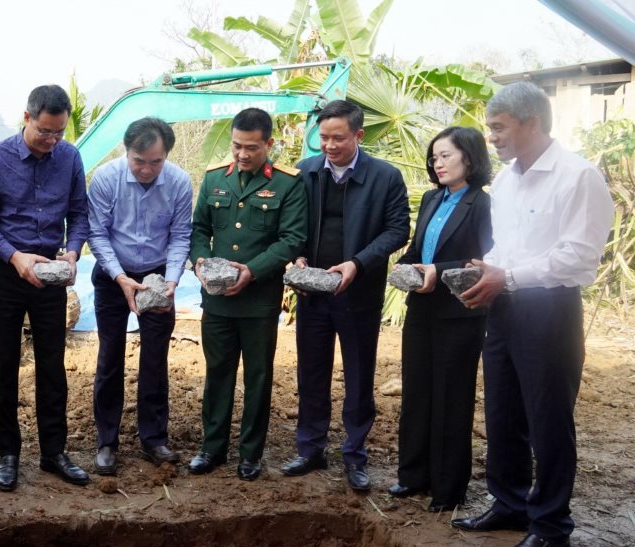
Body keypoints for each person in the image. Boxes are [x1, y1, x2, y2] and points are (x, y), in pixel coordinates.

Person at [454, 82, 613, 547]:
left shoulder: (577, 176)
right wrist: (487, 270)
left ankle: (550, 526)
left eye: (499, 128)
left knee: (548, 420)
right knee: (503, 412)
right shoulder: (506, 181)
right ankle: (510, 503)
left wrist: (509, 276)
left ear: (533, 124)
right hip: (505, 307)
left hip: (550, 311)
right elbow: (507, 247)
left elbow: (578, 257)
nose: (493, 138)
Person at [0, 85, 90, 491]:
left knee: (52, 366)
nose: (51, 141)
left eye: (58, 133)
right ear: (27, 117)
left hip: (50, 275)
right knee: (4, 365)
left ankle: (54, 451)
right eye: (44, 132)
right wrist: (15, 256)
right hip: (7, 273)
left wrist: (71, 254)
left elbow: (78, 213)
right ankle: (9, 454)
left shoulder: (70, 157)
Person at [283, 99, 410, 491]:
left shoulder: (385, 177)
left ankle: (354, 454)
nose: (329, 145)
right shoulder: (303, 173)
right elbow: (288, 225)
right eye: (323, 137)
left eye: (338, 138)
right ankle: (310, 449)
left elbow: (397, 229)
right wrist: (297, 256)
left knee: (358, 376)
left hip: (359, 295)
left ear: (359, 135)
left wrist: (357, 263)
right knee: (312, 372)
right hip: (313, 294)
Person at [187, 107, 307, 481]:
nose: (242, 154)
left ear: (269, 144)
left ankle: (250, 454)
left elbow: (292, 239)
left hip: (258, 301)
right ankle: (212, 448)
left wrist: (252, 271)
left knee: (257, 377)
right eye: (237, 145)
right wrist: (201, 263)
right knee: (217, 373)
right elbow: (198, 230)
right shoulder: (213, 179)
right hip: (218, 299)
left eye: (251, 147)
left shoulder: (288, 184)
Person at [388, 127, 493, 512]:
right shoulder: (433, 199)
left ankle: (448, 490)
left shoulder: (482, 205)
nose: (438, 163)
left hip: (460, 311)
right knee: (417, 391)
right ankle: (413, 476)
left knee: (451, 397)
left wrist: (438, 269)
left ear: (470, 156)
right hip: (421, 308)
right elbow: (418, 248)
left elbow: (484, 261)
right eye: (434, 157)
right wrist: (403, 267)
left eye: (446, 155)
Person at [86, 117, 192, 475]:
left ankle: (153, 438)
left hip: (159, 276)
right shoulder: (105, 179)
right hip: (113, 275)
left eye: (155, 161)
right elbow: (97, 234)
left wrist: (173, 280)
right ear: (126, 151)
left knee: (155, 360)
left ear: (166, 156)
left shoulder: (178, 182)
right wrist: (120, 277)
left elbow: (180, 236)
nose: (147, 169)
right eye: (139, 160)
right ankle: (106, 441)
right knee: (110, 356)